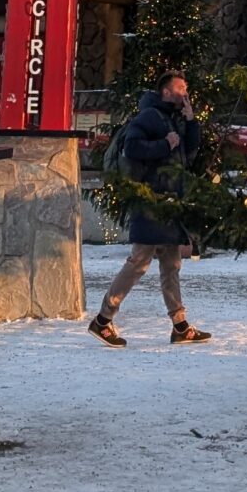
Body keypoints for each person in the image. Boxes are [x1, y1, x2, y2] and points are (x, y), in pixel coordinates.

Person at [89, 68, 211, 346]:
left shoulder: (174, 118)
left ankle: (180, 326)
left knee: (171, 264)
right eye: (181, 88)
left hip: (168, 202)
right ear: (166, 92)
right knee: (139, 262)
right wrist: (164, 144)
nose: (186, 92)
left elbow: (188, 155)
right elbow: (133, 148)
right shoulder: (149, 116)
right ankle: (103, 320)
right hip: (150, 200)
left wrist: (191, 122)